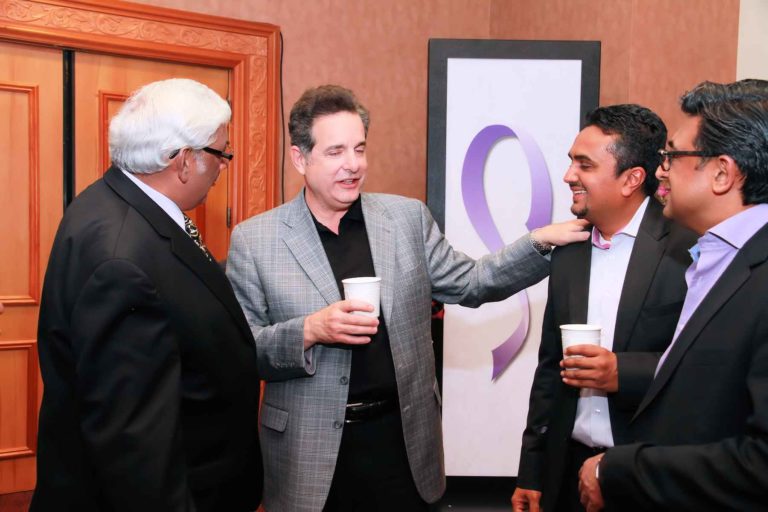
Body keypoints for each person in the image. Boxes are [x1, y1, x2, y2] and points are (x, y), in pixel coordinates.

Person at [226, 84, 589, 511]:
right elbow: (242, 352)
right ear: (299, 158)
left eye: (360, 149)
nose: (353, 165)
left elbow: (472, 282)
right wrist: (310, 330)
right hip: (307, 453)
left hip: (401, 445)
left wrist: (540, 242)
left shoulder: (405, 218)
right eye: (336, 151)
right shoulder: (256, 240)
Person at [32, 78, 263, 512]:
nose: (223, 166)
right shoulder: (122, 258)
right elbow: (134, 443)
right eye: (220, 153)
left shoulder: (115, 201)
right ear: (184, 161)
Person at [577, 83, 768, 511]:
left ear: (722, 173)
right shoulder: (714, 259)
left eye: (672, 156)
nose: (661, 170)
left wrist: (621, 471)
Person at [512, 105, 696, 512]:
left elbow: (704, 369)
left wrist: (621, 372)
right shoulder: (570, 248)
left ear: (632, 179)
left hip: (647, 474)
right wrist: (532, 470)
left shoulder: (690, 249)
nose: (568, 176)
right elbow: (550, 368)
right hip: (568, 472)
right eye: (571, 161)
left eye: (585, 165)